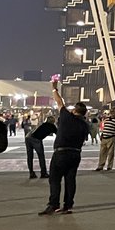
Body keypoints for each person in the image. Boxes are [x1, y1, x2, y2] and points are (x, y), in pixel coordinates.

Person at [39, 78, 90, 215]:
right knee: (70, 179)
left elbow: (59, 102)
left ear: (74, 110)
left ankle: (53, 204)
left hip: (61, 153)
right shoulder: (85, 125)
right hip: (76, 154)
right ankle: (68, 205)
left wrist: (54, 88)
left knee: (54, 179)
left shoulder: (67, 117)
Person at [94, 103, 115, 171]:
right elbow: (105, 127)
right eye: (111, 111)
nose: (112, 113)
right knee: (102, 152)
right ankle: (100, 165)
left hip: (111, 137)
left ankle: (109, 166)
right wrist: (102, 134)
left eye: (113, 112)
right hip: (104, 137)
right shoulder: (107, 118)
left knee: (110, 153)